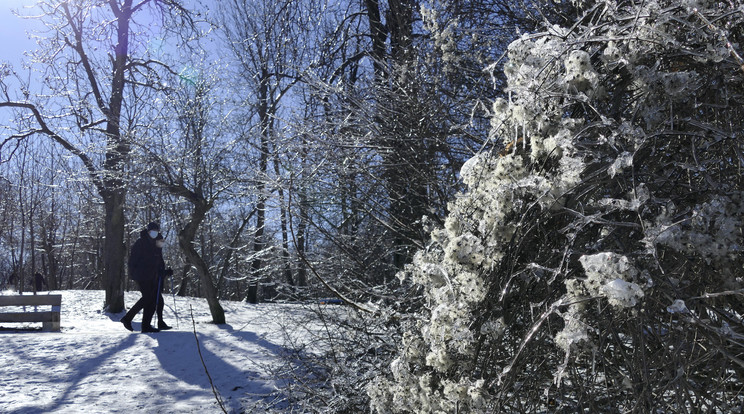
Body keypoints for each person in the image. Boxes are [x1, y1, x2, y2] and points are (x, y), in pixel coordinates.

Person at [120, 222, 171, 333]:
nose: (154, 233)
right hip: (142, 275)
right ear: (148, 232)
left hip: (153, 276)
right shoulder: (141, 243)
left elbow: (158, 261)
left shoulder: (156, 243)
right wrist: (134, 273)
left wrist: (165, 271)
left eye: (156, 231)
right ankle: (127, 318)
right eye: (152, 231)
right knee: (148, 298)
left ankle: (147, 325)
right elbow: (134, 260)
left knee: (154, 300)